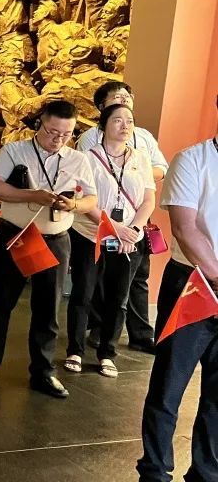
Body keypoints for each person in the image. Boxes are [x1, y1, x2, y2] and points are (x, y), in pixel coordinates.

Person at [0, 100, 97, 399]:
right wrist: (31, 195)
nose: (58, 139)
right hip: (18, 234)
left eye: (66, 134)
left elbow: (91, 199)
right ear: (40, 124)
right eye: (53, 132)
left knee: (48, 308)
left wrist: (74, 205)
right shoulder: (15, 151)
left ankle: (43, 371)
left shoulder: (78, 159)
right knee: (0, 302)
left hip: (55, 239)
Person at [137, 99, 218, 481]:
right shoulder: (192, 160)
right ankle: (155, 470)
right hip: (193, 285)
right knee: (169, 384)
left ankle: (206, 472)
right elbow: (185, 230)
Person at [65, 104, 154, 380]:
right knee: (83, 293)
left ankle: (107, 353)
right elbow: (84, 201)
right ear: (103, 126)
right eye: (117, 120)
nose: (125, 125)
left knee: (119, 298)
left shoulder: (140, 158)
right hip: (90, 235)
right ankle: (75, 351)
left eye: (130, 120)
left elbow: (148, 199)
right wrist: (114, 228)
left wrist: (133, 229)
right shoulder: (87, 158)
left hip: (129, 240)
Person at [77, 80, 168, 353]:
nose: (124, 100)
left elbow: (161, 168)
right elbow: (86, 182)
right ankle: (98, 329)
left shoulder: (143, 137)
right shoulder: (91, 138)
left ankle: (140, 334)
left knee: (137, 278)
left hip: (135, 219)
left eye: (127, 96)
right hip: (99, 222)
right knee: (101, 280)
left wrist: (135, 170)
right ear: (102, 107)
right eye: (117, 97)